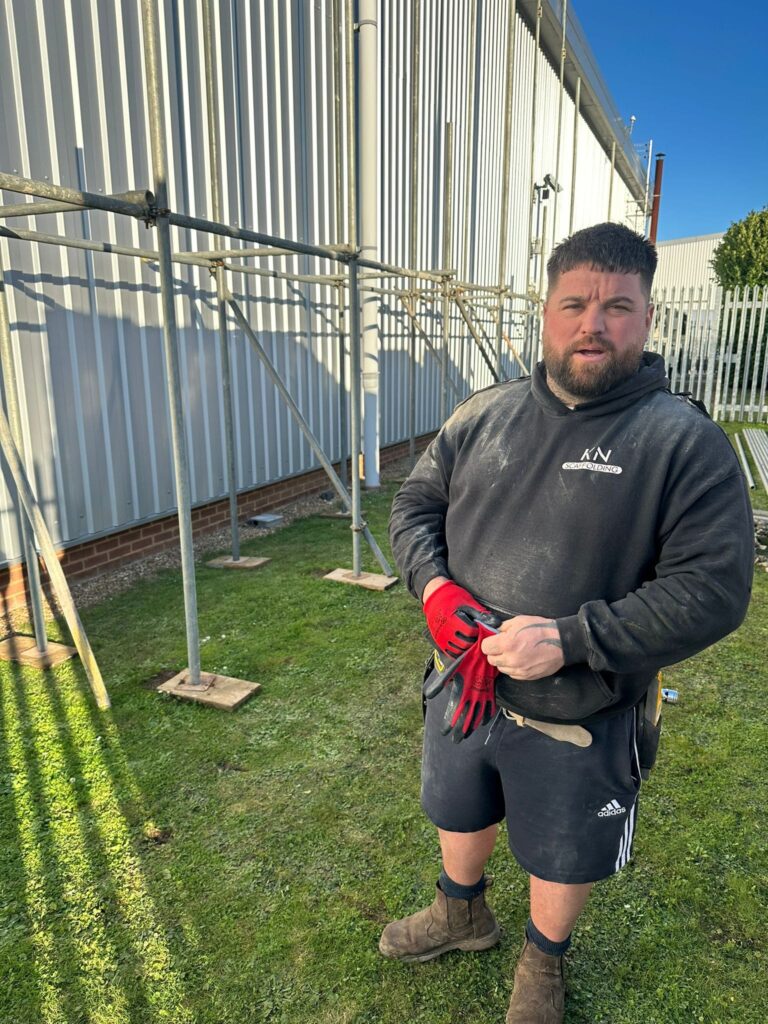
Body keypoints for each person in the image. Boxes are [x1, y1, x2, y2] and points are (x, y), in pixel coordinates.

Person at [381, 222, 754, 1024]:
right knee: (457, 806)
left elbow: (714, 589)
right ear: (546, 312)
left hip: (582, 711)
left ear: (648, 318)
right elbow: (414, 507)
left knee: (563, 846)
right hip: (462, 683)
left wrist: (572, 640)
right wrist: (434, 590)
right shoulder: (482, 415)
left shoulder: (682, 443)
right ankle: (460, 913)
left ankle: (543, 961)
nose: (593, 324)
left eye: (617, 306)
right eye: (574, 303)